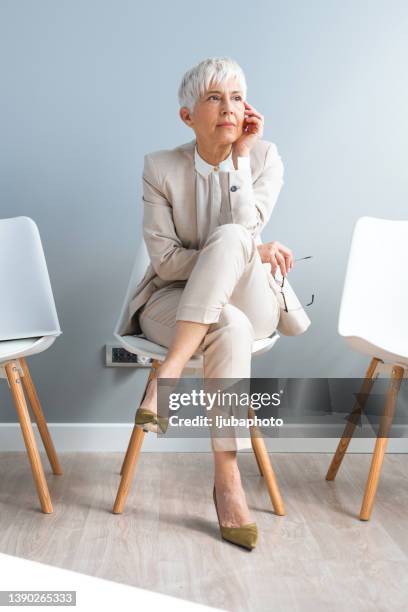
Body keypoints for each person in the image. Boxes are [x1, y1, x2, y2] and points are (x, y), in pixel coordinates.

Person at [128, 57, 293, 549]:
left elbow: (246, 229)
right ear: (187, 116)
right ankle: (228, 483)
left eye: (238, 97)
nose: (229, 108)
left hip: (252, 295)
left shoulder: (265, 158)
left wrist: (240, 160)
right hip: (172, 303)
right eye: (215, 98)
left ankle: (168, 375)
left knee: (234, 238)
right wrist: (243, 247)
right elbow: (165, 261)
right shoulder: (159, 167)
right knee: (232, 327)